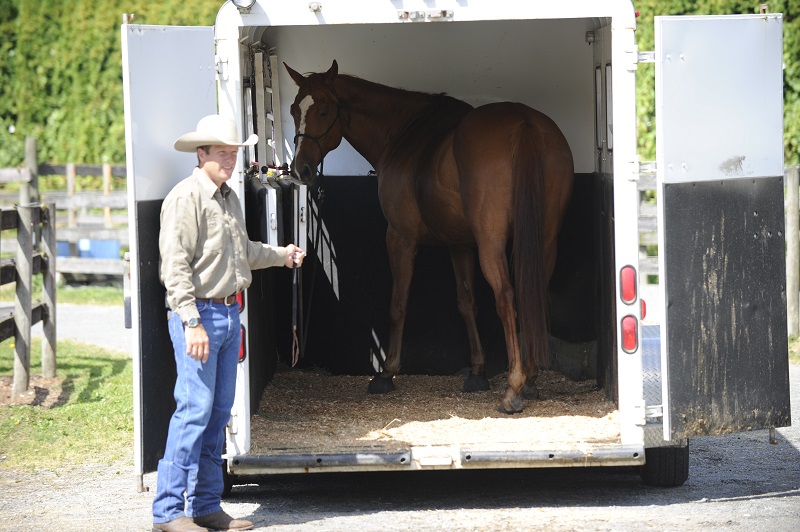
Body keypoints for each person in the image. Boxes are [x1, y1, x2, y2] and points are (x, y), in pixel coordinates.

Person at [152, 114, 306, 532]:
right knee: (194, 411)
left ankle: (204, 506)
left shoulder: (228, 198)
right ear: (201, 153)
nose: (230, 159)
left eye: (234, 152)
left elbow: (242, 254)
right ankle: (168, 511)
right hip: (199, 316)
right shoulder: (186, 199)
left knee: (217, 413)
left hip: (226, 313)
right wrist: (190, 321)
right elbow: (175, 267)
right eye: (222, 151)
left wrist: (281, 254)